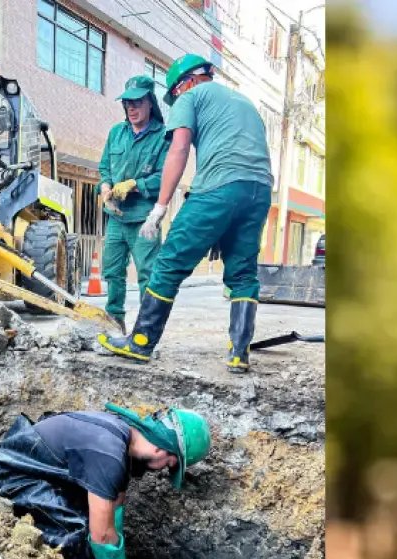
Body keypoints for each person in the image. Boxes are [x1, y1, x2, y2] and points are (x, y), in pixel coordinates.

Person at [97, 54, 273, 374]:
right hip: (259, 191)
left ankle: (140, 342)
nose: (175, 98)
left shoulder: (190, 95)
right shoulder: (246, 104)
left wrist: (160, 208)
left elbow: (179, 149)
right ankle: (239, 352)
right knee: (243, 272)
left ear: (185, 82)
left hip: (217, 187)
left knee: (169, 263)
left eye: (174, 93)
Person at [0, 404, 211, 559]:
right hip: (12, 473)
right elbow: (101, 535)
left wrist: (112, 553)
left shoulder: (124, 436)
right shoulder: (109, 454)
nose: (164, 470)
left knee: (95, 530)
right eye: (170, 464)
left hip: (42, 467)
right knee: (79, 536)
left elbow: (114, 507)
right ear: (161, 448)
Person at [97, 75, 171, 331]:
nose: (131, 108)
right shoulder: (116, 133)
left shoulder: (163, 136)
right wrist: (106, 187)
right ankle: (114, 321)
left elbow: (166, 177)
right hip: (116, 217)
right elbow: (105, 167)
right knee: (112, 271)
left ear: (150, 102)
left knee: (148, 275)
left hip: (144, 219)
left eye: (138, 102)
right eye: (128, 102)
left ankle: (147, 329)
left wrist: (135, 184)